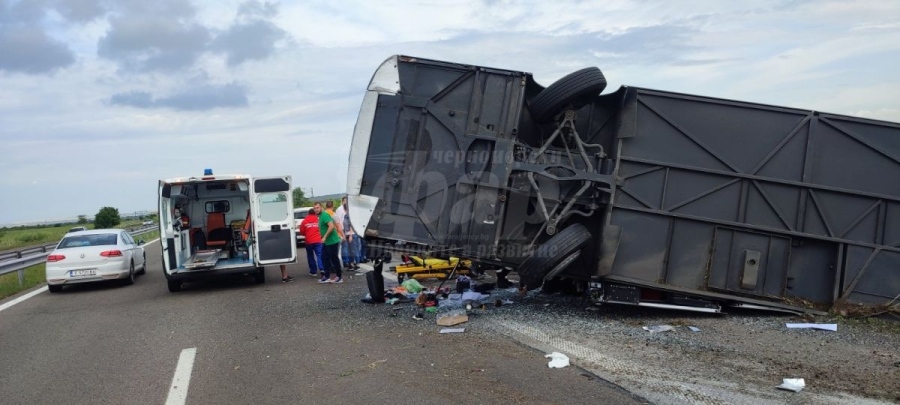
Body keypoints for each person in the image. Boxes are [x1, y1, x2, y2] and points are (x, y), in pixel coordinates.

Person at [318, 201, 344, 284]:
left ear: (322, 207)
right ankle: (327, 276)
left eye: (317, 207)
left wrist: (325, 236)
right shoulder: (321, 216)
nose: (316, 209)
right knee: (324, 258)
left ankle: (339, 277)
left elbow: (332, 226)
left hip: (332, 241)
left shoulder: (325, 215)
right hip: (326, 242)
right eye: (314, 208)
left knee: (334, 259)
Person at [300, 206, 324, 276]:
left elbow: (302, 231)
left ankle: (313, 271)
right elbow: (322, 229)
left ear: (308, 213)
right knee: (319, 254)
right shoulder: (318, 219)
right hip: (318, 240)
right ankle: (322, 269)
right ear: (315, 213)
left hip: (309, 241)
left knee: (310, 256)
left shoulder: (304, 221)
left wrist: (307, 234)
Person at [337, 196, 359, 271]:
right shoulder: (347, 215)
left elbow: (351, 225)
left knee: (352, 250)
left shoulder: (349, 216)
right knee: (350, 250)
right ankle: (352, 264)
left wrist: (350, 235)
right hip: (348, 234)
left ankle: (354, 264)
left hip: (351, 234)